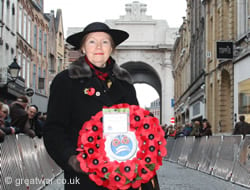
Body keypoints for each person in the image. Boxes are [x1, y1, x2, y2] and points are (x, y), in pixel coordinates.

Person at [43, 22, 159, 190]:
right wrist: (73, 160)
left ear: (112, 48)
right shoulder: (66, 81)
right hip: (85, 177)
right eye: (92, 41)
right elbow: (54, 130)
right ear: (82, 47)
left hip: (123, 175)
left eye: (105, 42)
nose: (99, 46)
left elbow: (138, 126)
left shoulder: (124, 83)